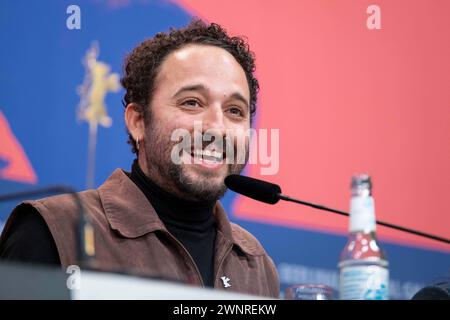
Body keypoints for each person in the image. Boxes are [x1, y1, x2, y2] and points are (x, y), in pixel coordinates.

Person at [0, 19, 280, 298]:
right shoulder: (53, 229)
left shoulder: (256, 263)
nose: (217, 128)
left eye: (235, 110)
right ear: (138, 122)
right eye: (192, 102)